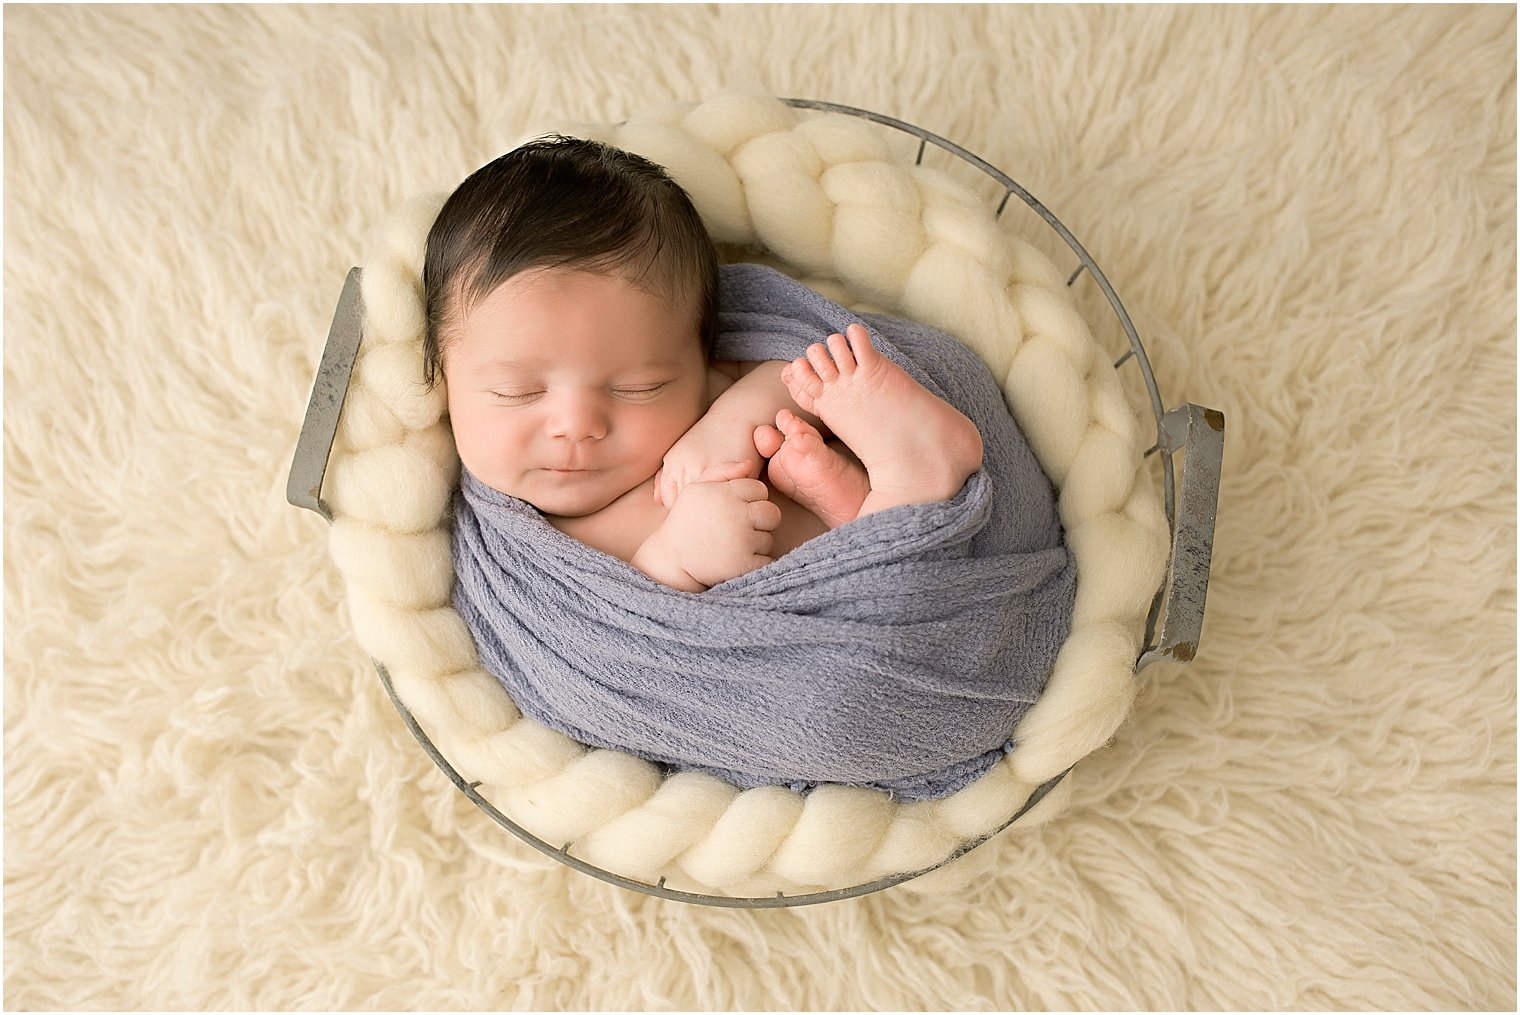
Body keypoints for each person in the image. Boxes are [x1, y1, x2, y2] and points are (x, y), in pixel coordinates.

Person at [423, 136, 983, 592]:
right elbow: (629, 645)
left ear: (699, 354)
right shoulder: (517, 558)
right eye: (516, 391)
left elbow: (783, 370)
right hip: (841, 605)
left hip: (886, 543)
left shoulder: (705, 401)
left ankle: (894, 481)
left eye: (640, 387)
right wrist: (676, 563)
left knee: (826, 400)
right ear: (443, 377)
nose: (576, 425)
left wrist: (732, 423)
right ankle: (896, 490)